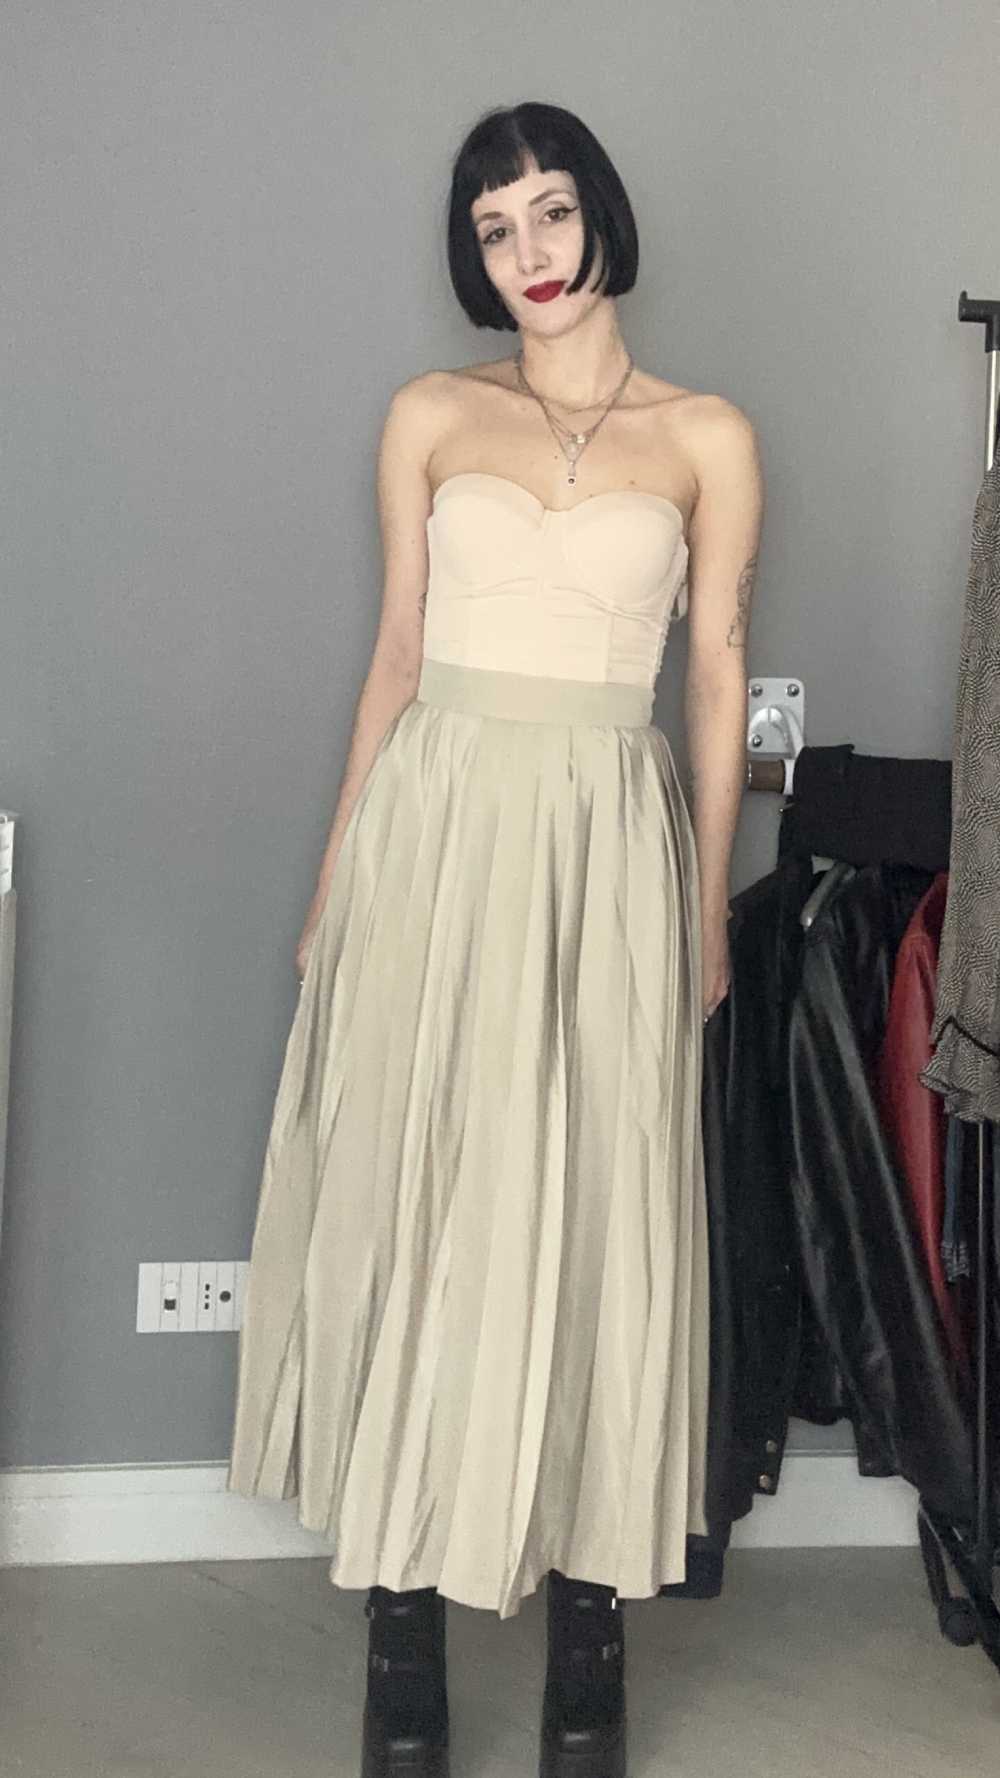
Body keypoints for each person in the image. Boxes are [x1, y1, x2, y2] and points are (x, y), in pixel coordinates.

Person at [226, 99, 762, 1778]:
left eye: (550, 212)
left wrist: (707, 905)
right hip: (437, 831)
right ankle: (402, 1621)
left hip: (609, 844)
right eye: (493, 229)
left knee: (601, 1207)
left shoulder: (708, 435)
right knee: (415, 1191)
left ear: (602, 216)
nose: (527, 253)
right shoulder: (431, 414)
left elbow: (715, 677)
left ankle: (590, 1627)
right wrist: (335, 881)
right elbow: (397, 650)